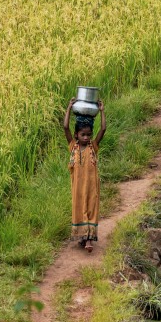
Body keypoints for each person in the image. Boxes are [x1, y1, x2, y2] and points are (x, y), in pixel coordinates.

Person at [65, 98, 105, 252]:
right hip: (77, 187)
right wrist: (69, 107)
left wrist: (101, 111)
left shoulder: (93, 147)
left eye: (89, 134)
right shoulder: (73, 147)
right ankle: (83, 237)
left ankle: (89, 239)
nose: (86, 137)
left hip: (91, 186)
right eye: (83, 134)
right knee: (79, 208)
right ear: (77, 135)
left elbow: (103, 130)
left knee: (91, 208)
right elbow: (65, 127)